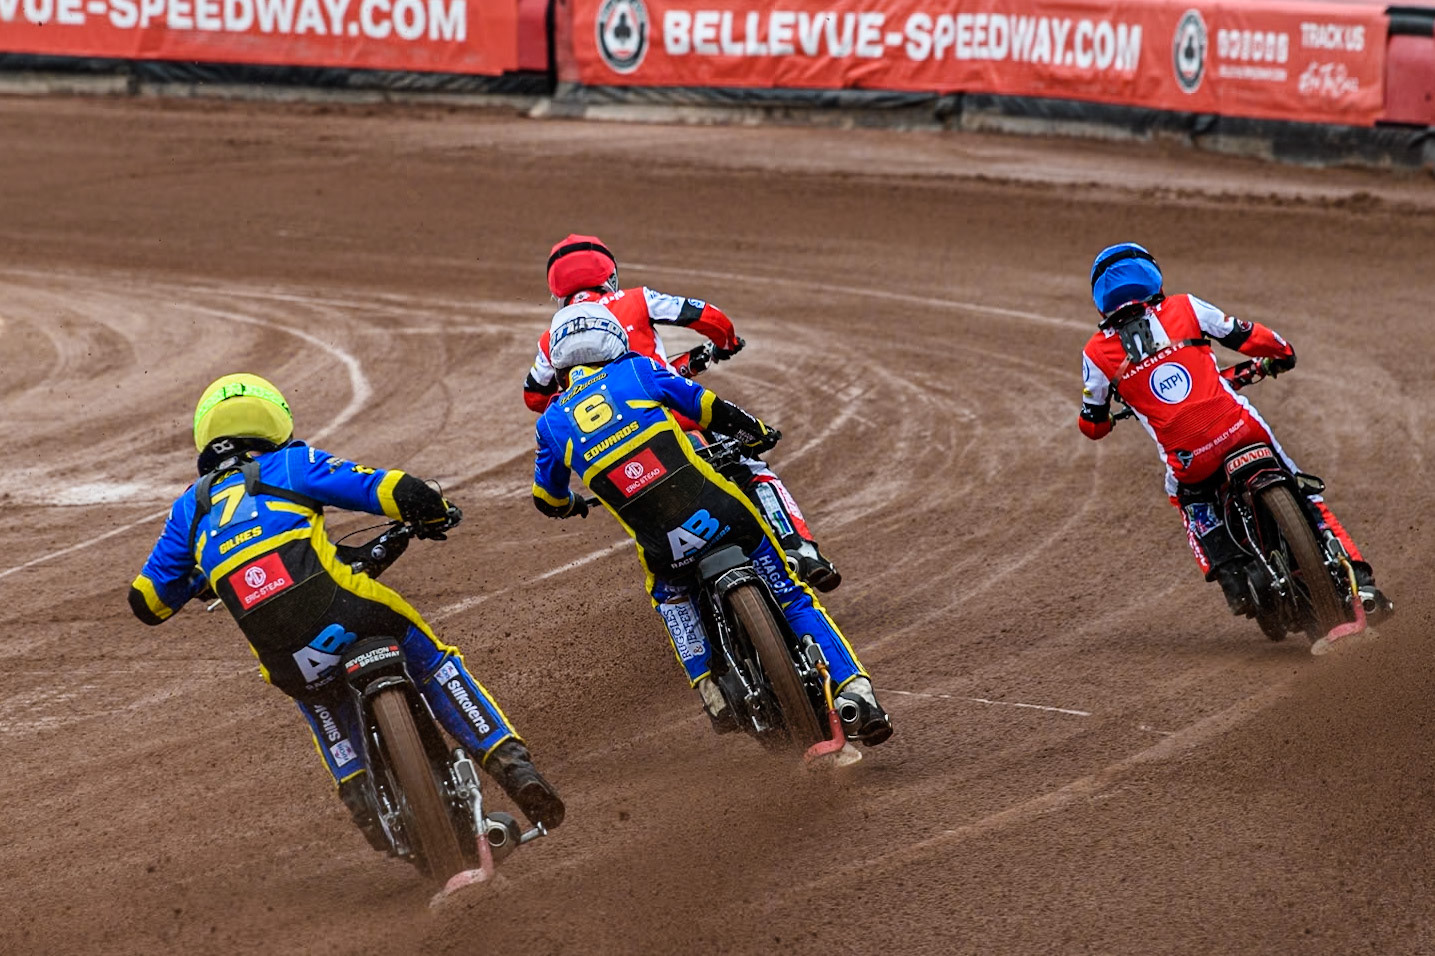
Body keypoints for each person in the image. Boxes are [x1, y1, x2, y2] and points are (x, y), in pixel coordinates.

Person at [129, 373, 564, 851]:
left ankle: (368, 812)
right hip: (343, 606)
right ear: (273, 420)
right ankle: (514, 768)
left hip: (282, 653)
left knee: (320, 701)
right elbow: (388, 489)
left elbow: (147, 602)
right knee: (431, 659)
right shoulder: (290, 463)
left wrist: (201, 576)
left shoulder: (187, 511)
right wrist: (434, 510)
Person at [530, 302, 892, 746]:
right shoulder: (638, 371)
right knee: (793, 597)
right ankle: (857, 693)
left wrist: (571, 505)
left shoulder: (551, 425)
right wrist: (757, 433)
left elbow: (546, 498)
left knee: (671, 597)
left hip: (664, 547)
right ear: (614, 342)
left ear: (559, 363)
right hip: (723, 512)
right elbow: (709, 409)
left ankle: (709, 690)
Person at [1077, 243, 1392, 619]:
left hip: (1190, 461)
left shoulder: (1095, 353)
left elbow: (1092, 425)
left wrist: (1108, 418)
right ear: (1152, 276)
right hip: (1242, 430)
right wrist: (1282, 353)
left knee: (1186, 498)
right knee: (1305, 493)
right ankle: (1361, 580)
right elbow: (1245, 335)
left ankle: (1231, 576)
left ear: (1100, 298)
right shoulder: (1185, 306)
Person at [524, 233, 841, 592]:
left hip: (622, 438)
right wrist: (726, 344)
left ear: (556, 290)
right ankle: (798, 547)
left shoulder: (553, 337)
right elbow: (709, 317)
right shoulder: (637, 299)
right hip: (676, 414)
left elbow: (534, 396)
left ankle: (686, 597)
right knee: (751, 468)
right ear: (609, 275)